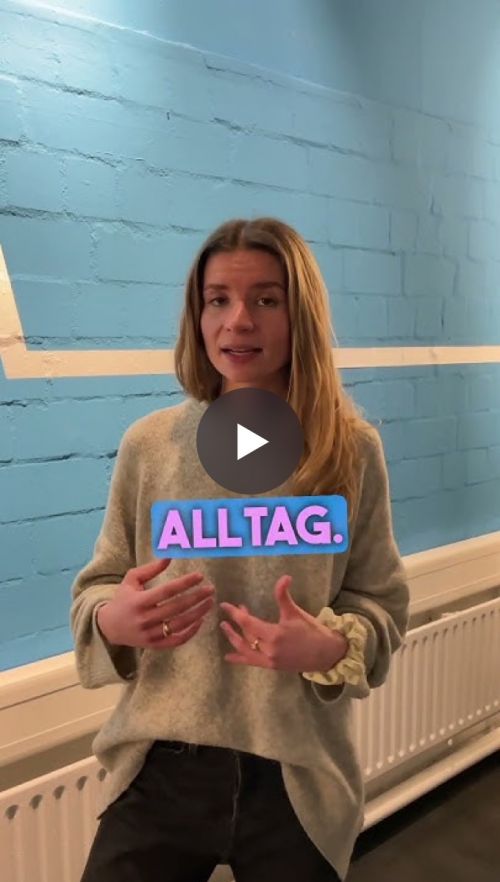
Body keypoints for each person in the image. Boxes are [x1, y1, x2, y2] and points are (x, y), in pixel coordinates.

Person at [71, 217, 410, 882]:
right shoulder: (150, 446)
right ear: (197, 317)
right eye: (217, 300)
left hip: (296, 773)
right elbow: (99, 587)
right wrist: (114, 619)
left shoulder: (349, 450)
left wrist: (330, 647)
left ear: (300, 314)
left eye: (266, 299)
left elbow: (382, 606)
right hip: (162, 764)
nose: (238, 322)